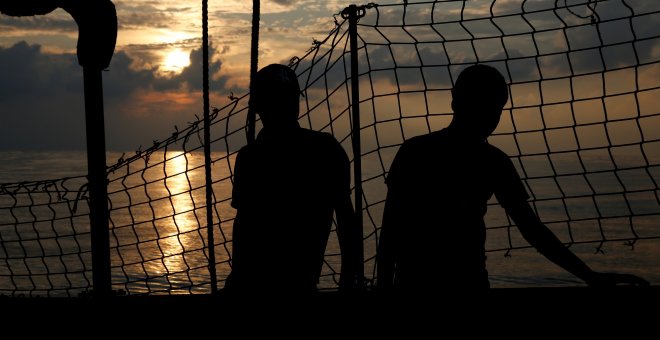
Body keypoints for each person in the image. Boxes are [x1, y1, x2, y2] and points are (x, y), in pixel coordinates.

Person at [376, 64, 648, 292]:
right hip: (455, 283)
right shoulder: (491, 160)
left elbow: (390, 233)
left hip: (434, 283)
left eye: (496, 108)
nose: (492, 116)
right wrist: (589, 276)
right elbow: (532, 229)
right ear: (457, 101)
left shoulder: (418, 151)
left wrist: (590, 276)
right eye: (488, 106)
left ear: (454, 99)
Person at [225, 63, 359, 295]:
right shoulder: (326, 149)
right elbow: (347, 221)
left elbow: (244, 228)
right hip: (298, 284)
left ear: (256, 106)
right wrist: (348, 280)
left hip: (253, 284)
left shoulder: (250, 157)